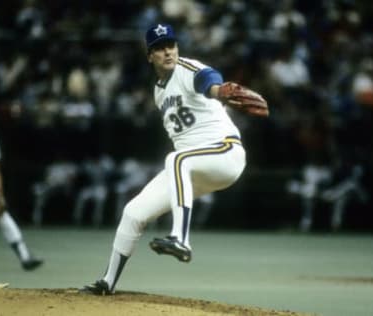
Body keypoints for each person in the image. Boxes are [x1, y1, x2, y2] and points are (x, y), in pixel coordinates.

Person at [81, 23, 249, 295]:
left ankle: (181, 239)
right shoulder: (159, 92)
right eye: (159, 48)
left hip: (224, 153)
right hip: (195, 169)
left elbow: (208, 79)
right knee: (133, 212)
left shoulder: (187, 68)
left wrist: (219, 91)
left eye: (170, 45)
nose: (167, 52)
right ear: (150, 56)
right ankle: (107, 282)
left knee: (176, 159)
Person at [0, 129, 43, 271]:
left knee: (2, 215)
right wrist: (0, 197)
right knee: (2, 216)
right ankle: (24, 256)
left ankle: (25, 256)